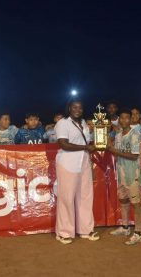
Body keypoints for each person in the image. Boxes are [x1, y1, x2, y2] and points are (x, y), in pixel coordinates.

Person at [54, 100, 99, 244]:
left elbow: (87, 142)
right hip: (68, 164)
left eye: (80, 107)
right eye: (74, 107)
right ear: (69, 108)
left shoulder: (84, 123)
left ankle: (86, 229)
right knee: (66, 198)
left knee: (85, 196)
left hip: (84, 163)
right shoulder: (63, 123)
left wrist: (94, 144)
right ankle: (64, 232)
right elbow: (63, 144)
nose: (77, 109)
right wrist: (85, 147)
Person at [107, 109, 141, 245]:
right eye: (121, 118)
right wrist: (109, 146)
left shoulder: (135, 134)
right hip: (121, 174)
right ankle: (125, 227)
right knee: (123, 200)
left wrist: (115, 151)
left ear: (131, 120)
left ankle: (138, 233)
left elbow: (134, 156)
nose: (123, 120)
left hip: (132, 174)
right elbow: (117, 154)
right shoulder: (118, 135)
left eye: (126, 118)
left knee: (136, 204)